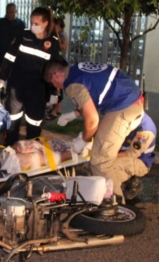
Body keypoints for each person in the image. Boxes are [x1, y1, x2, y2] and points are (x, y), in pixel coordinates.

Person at [43, 59, 145, 202]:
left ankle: (115, 208)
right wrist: (75, 114)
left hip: (123, 107)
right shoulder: (77, 69)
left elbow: (92, 120)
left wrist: (82, 141)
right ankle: (111, 189)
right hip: (130, 99)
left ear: (55, 75)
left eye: (52, 83)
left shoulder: (72, 84)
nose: (57, 88)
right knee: (101, 152)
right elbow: (97, 93)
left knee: (100, 161)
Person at [0, 7, 63, 146]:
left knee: (34, 124)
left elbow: (55, 70)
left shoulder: (53, 43)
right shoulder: (23, 35)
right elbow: (9, 57)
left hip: (37, 89)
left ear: (45, 23)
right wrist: (2, 77)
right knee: (12, 122)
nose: (33, 26)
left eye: (36, 24)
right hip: (16, 86)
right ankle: (9, 152)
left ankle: (31, 157)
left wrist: (54, 93)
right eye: (32, 23)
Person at [45, 17, 68, 120]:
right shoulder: (57, 35)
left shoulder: (61, 35)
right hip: (56, 64)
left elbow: (63, 47)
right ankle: (57, 109)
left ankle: (54, 111)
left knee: (55, 89)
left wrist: (55, 37)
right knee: (56, 89)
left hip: (58, 65)